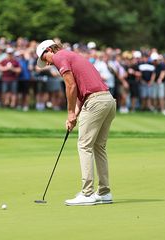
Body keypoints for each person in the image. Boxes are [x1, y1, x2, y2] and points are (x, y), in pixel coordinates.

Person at [36, 39, 116, 206]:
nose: (47, 64)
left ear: (50, 50)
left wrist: (70, 112)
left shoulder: (59, 57)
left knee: (84, 145)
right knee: (98, 146)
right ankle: (104, 192)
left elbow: (70, 86)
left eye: (45, 59)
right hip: (107, 100)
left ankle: (87, 194)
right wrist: (74, 116)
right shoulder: (72, 56)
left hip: (95, 102)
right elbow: (81, 91)